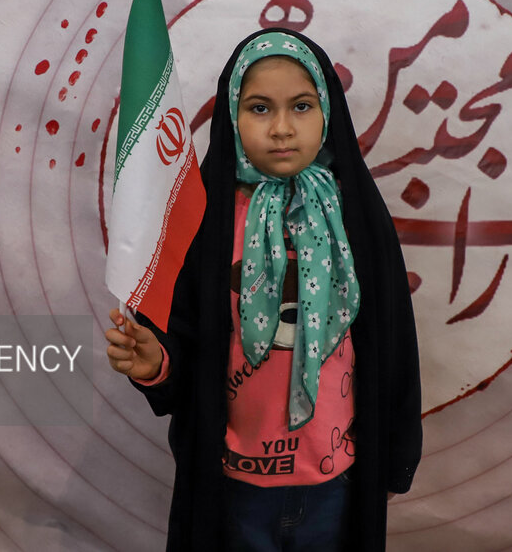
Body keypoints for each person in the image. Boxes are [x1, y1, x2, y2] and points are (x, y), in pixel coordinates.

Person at [106, 28, 422, 551]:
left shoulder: (356, 217)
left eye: (301, 106)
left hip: (336, 485)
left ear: (328, 112)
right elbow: (184, 343)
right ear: (231, 115)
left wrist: (396, 459)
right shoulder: (203, 220)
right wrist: (155, 362)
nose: (281, 128)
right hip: (233, 488)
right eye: (259, 108)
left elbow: (395, 345)